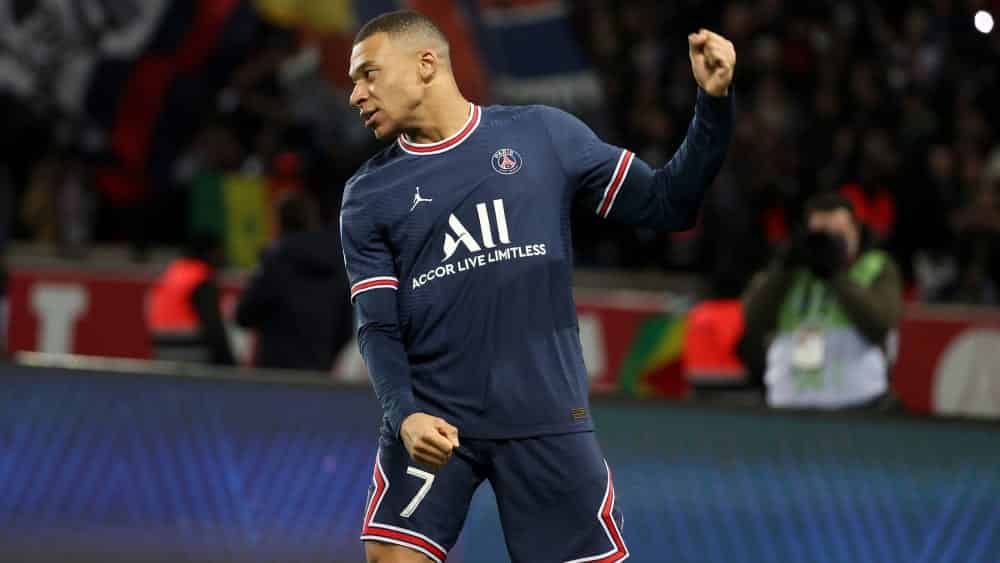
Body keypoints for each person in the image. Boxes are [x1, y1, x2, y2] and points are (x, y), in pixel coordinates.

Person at [340, 11, 734, 563]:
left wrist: (712, 104)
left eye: (369, 74)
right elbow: (378, 327)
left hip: (542, 412)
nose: (356, 94)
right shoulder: (367, 195)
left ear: (425, 64)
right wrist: (404, 414)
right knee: (390, 557)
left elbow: (668, 204)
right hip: (432, 414)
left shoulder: (543, 134)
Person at [741, 192, 904, 410]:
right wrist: (783, 269)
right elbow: (753, 321)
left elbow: (880, 324)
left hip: (857, 403)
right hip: (790, 403)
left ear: (856, 232)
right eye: (820, 235)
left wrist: (836, 275)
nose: (828, 242)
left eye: (838, 234)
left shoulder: (875, 267)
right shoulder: (788, 274)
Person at [234, 192, 353, 371]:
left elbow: (244, 315)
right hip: (319, 372)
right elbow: (345, 329)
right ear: (313, 221)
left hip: (275, 372)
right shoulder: (338, 264)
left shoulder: (274, 262)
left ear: (279, 222)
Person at [146, 234, 235, 366]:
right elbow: (214, 328)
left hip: (161, 349)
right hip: (192, 351)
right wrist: (229, 365)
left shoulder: (171, 273)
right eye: (220, 252)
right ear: (210, 253)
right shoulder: (200, 279)